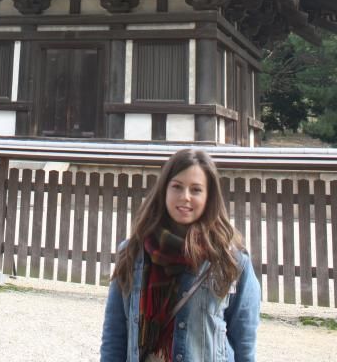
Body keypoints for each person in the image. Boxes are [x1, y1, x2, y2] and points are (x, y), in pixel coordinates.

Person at [100, 148, 260, 362]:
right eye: (177, 187)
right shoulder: (133, 253)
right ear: (164, 189)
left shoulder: (231, 260)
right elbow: (115, 335)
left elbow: (244, 342)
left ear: (208, 196)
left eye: (196, 190)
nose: (185, 197)